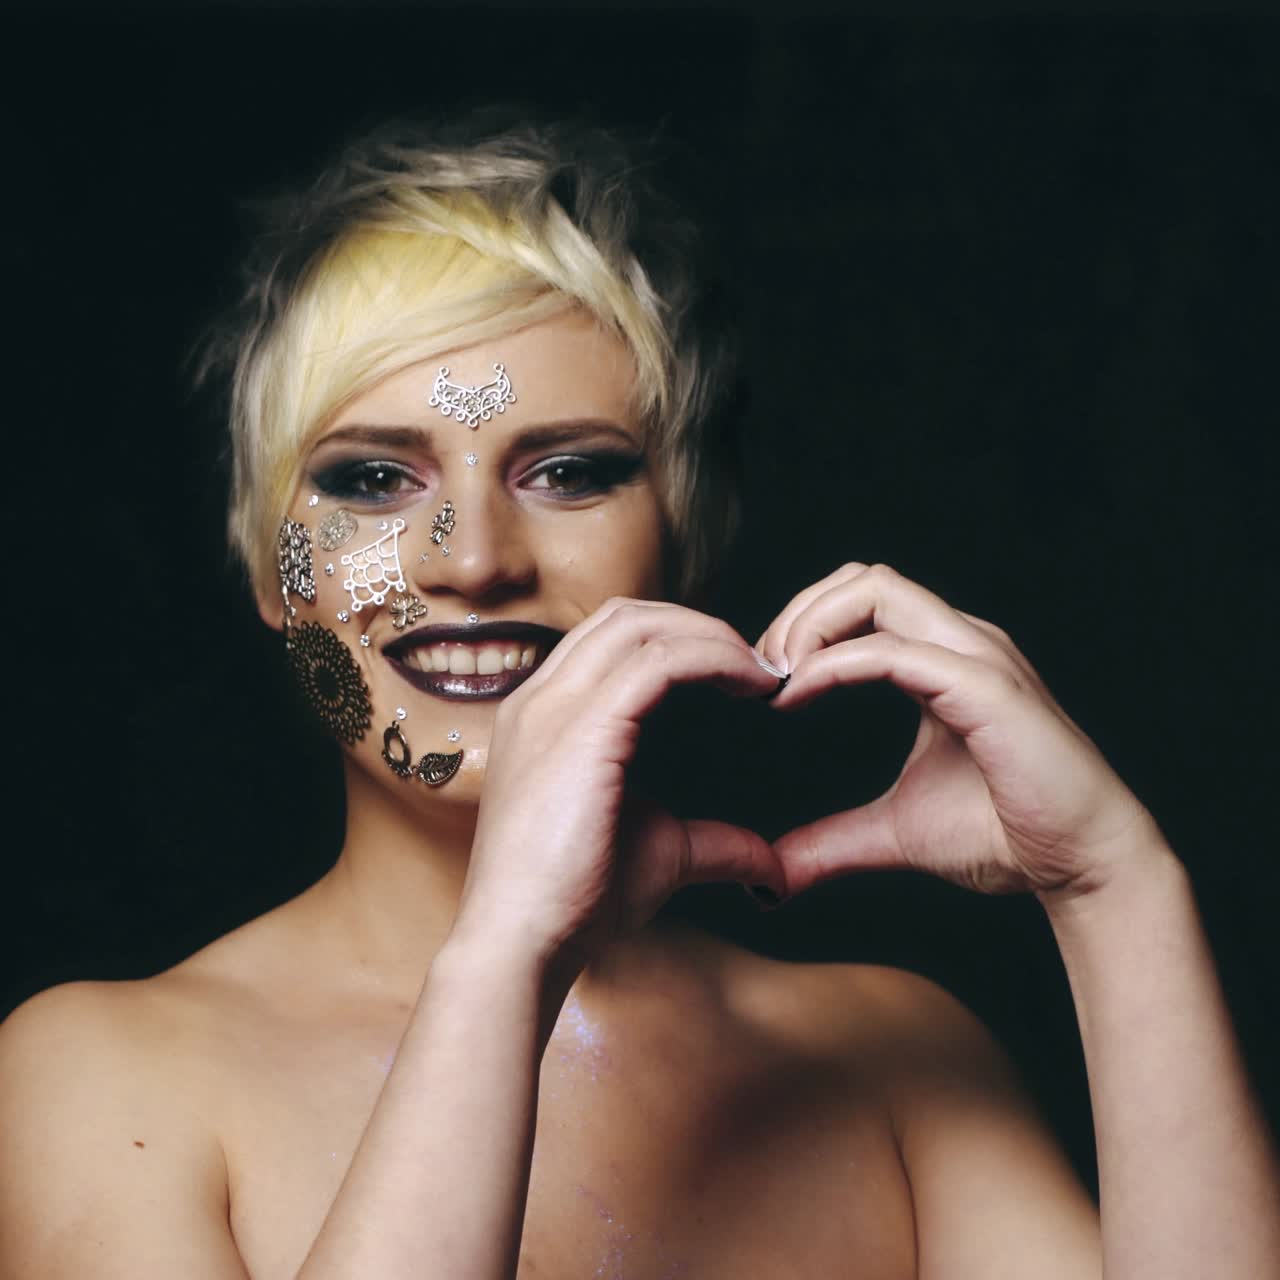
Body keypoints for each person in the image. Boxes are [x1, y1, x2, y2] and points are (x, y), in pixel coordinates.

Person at [1, 113, 1276, 1280]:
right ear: (273, 575)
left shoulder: (885, 1059)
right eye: (369, 481)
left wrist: (1115, 886)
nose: (470, 556)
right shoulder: (100, 1080)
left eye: (566, 470)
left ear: (680, 544)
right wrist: (499, 961)